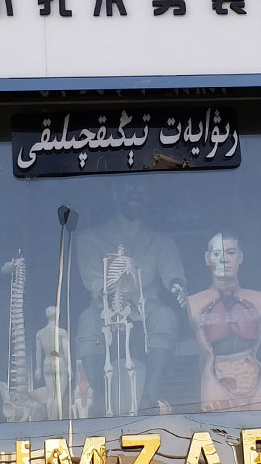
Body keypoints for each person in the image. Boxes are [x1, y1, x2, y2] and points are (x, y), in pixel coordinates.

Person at [72, 177, 187, 415]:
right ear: (114, 193)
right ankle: (99, 399)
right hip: (105, 315)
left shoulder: (161, 242)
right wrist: (110, 294)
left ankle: (149, 398)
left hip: (146, 318)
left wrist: (177, 285)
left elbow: (172, 273)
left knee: (166, 317)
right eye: (128, 188)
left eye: (140, 188)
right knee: (87, 321)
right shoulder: (90, 238)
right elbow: (94, 281)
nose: (134, 194)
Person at [187, 233, 261, 412]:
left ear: (240, 257)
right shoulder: (195, 303)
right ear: (207, 258)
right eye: (217, 254)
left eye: (231, 252)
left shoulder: (259, 299)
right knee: (217, 429)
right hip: (216, 379)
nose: (224, 259)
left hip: (255, 377)